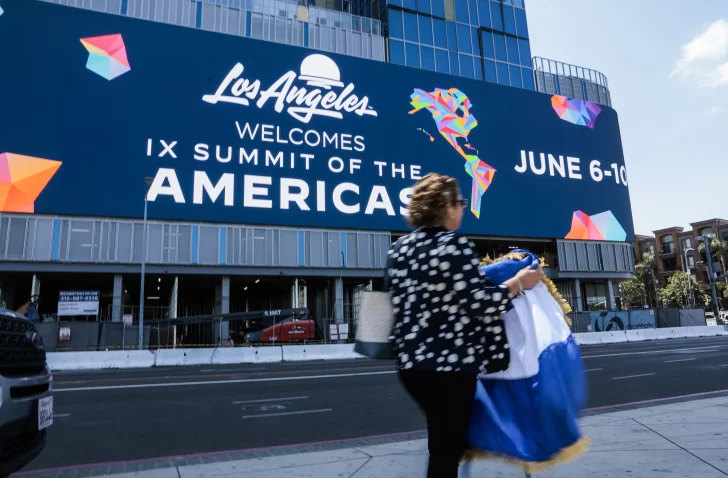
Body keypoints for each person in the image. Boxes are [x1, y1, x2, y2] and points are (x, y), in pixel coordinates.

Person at [388, 173, 543, 478]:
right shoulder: (454, 244)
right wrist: (517, 283)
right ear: (446, 206)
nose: (462, 208)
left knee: (444, 444)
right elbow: (477, 304)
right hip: (449, 368)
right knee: (447, 452)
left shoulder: (399, 249)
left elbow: (392, 303)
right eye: (460, 202)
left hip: (410, 367)